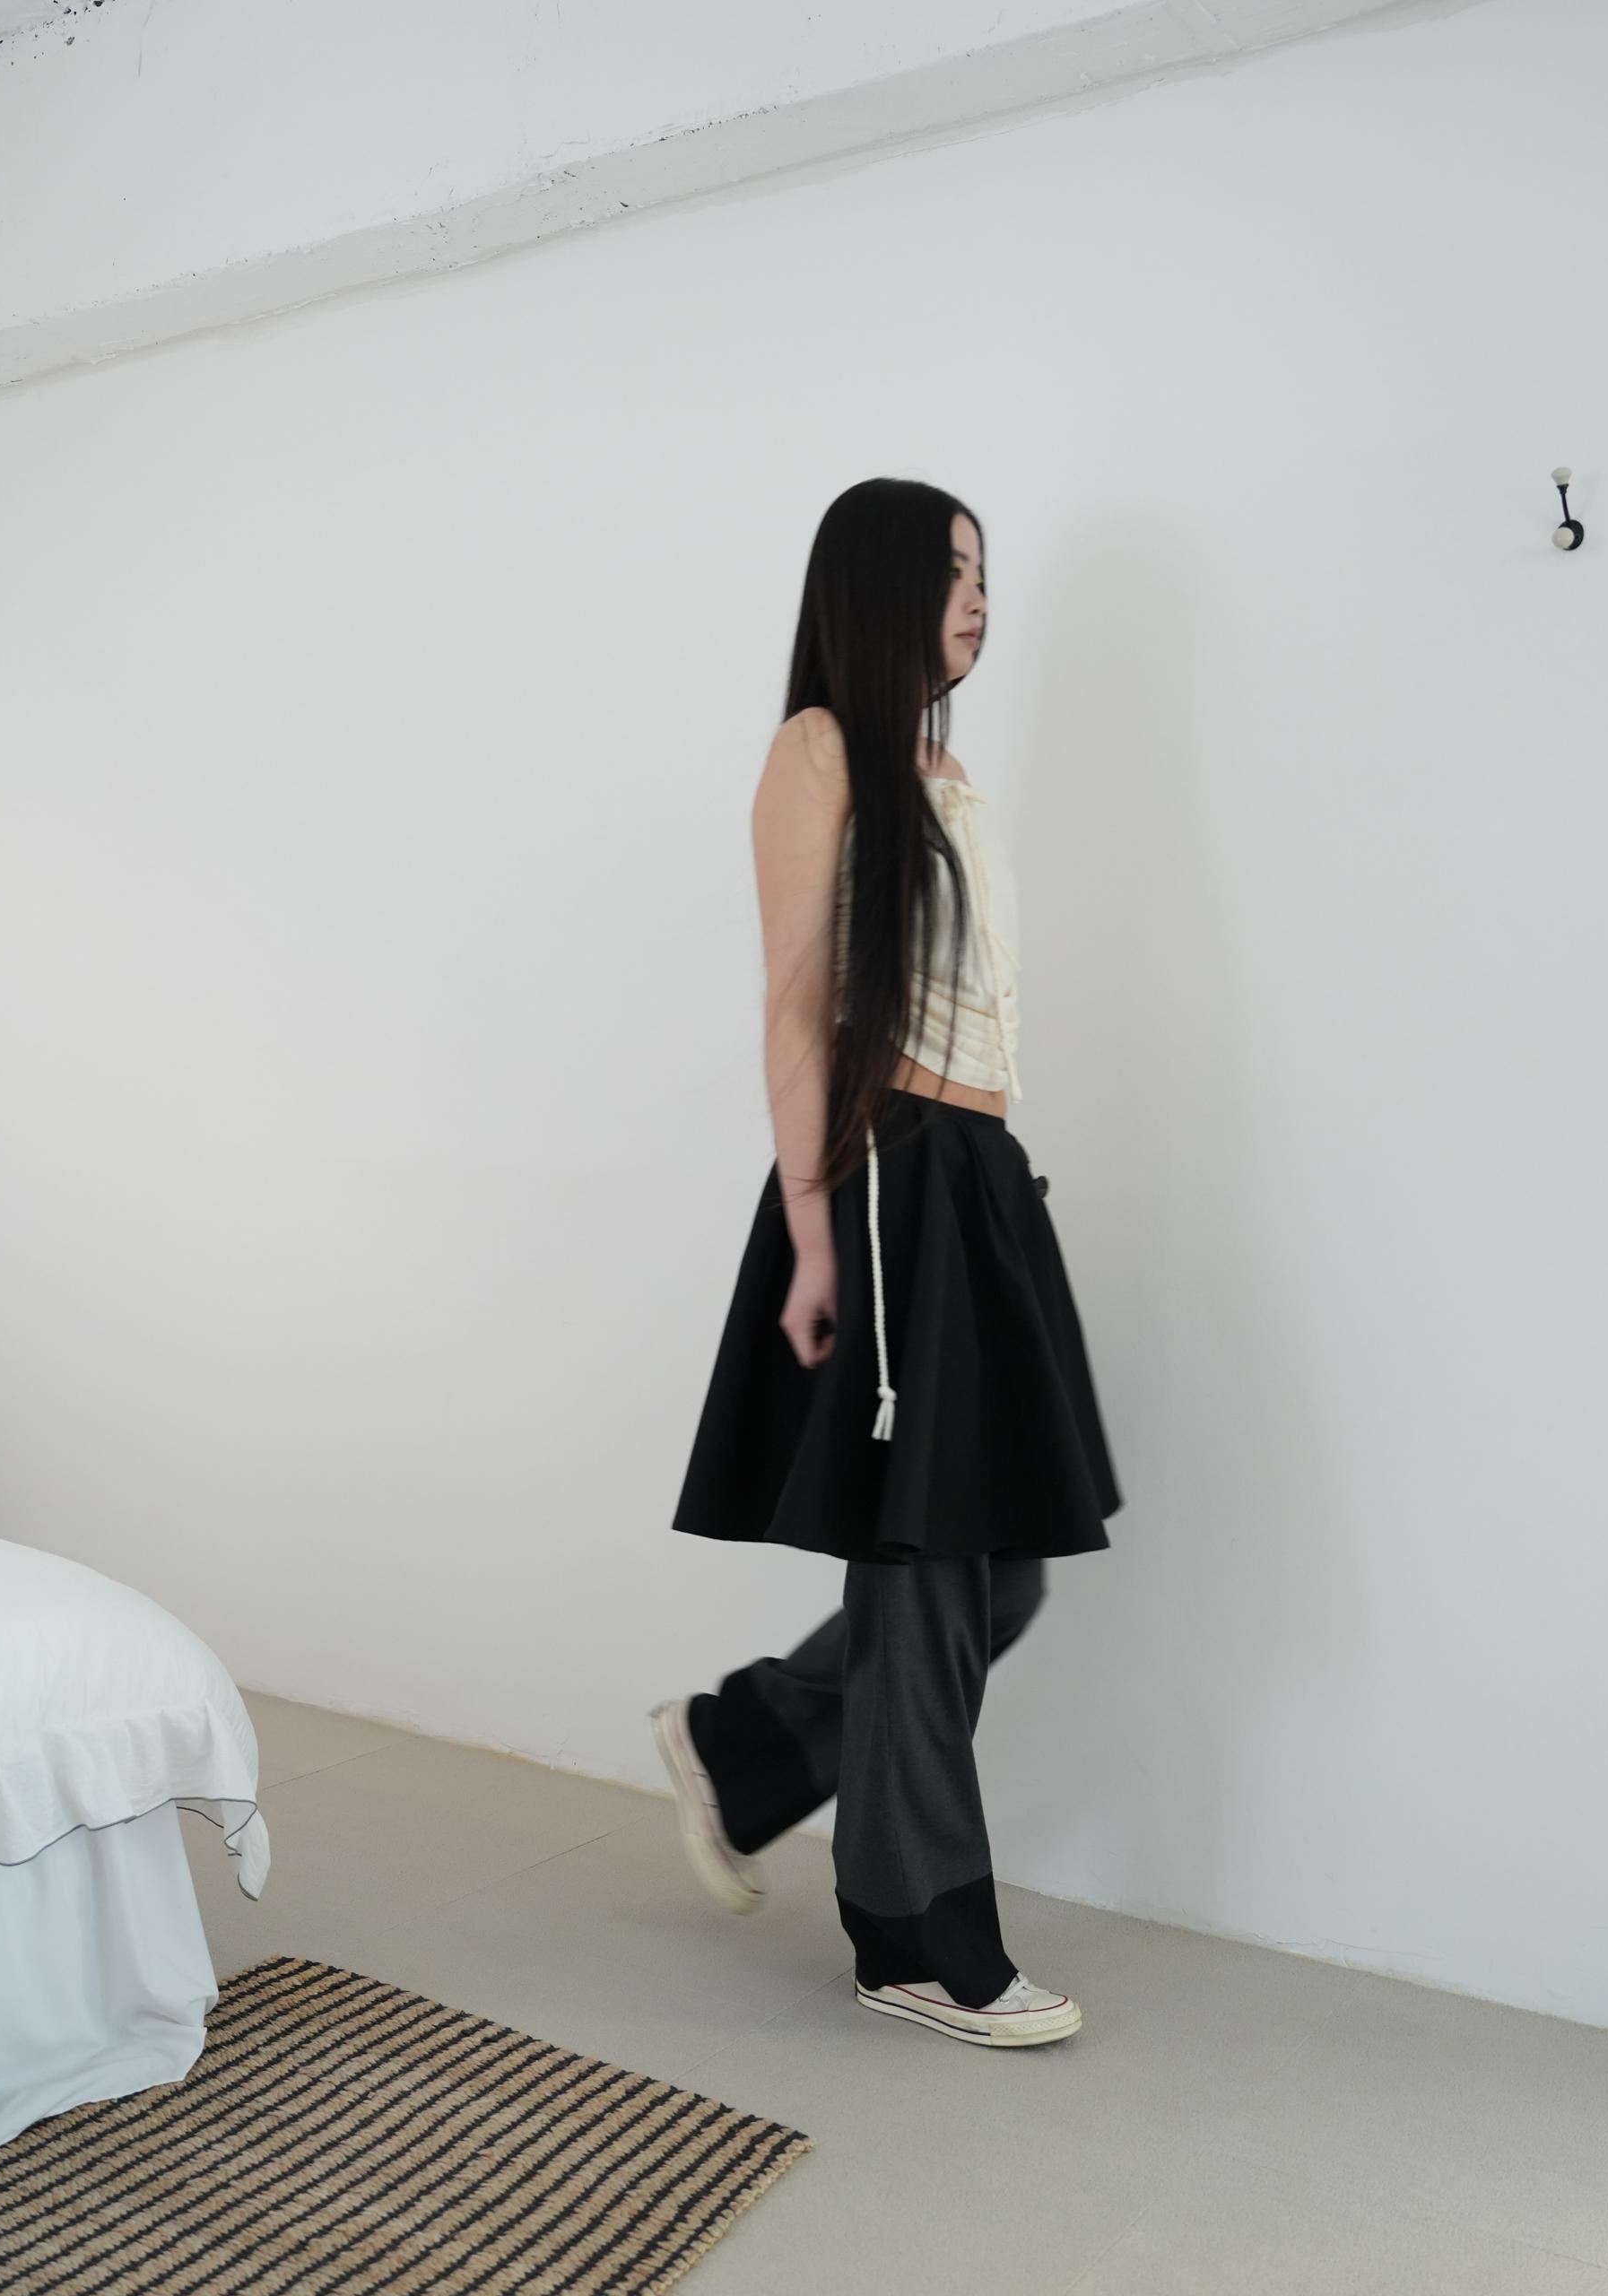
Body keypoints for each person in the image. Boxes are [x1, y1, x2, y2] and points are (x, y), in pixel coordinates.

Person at [653, 477, 1124, 2051]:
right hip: (887, 1176)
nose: (981, 599)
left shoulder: (943, 766)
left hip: (979, 1178)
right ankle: (917, 1935)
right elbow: (796, 1007)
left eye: (987, 571)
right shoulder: (818, 750)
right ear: (878, 584)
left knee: (1003, 1570)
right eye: (952, 570)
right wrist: (809, 1232)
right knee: (927, 1574)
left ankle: (750, 1745)